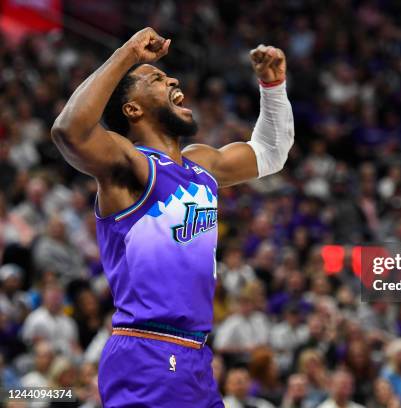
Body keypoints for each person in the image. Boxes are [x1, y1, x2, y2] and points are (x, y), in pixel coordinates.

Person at [51, 27, 294, 407]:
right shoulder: (130, 164)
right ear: (133, 109)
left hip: (195, 355)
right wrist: (128, 54)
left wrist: (273, 85)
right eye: (158, 79)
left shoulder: (203, 165)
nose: (173, 80)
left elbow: (271, 151)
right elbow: (69, 131)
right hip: (147, 352)